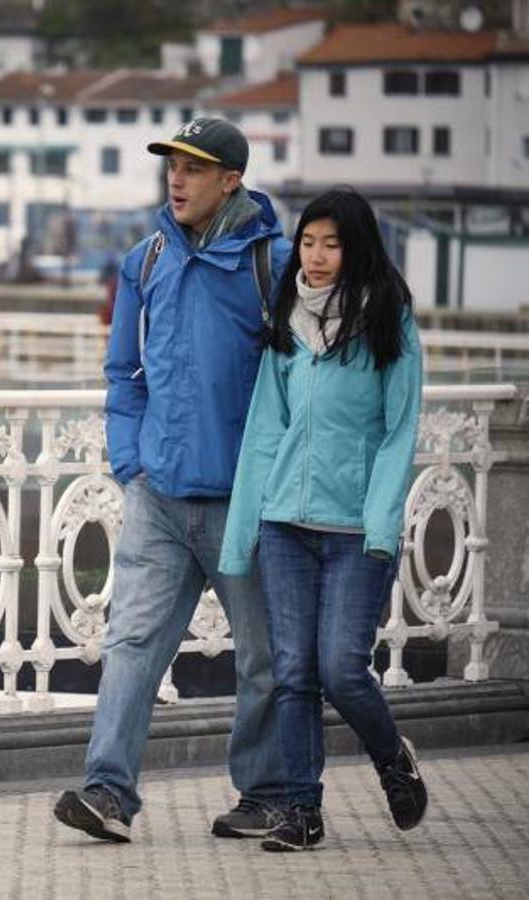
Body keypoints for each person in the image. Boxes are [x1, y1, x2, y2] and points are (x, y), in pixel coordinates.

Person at [53, 117, 292, 842]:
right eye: (171, 166)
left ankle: (267, 794)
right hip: (157, 494)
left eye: (193, 168)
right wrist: (131, 460)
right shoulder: (147, 257)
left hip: (242, 500)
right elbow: (122, 370)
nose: (176, 179)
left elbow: (304, 372)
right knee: (129, 645)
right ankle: (106, 792)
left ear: (230, 180)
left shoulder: (274, 263)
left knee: (262, 657)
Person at [219, 188, 427, 852]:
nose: (314, 256)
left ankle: (392, 756)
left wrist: (379, 523)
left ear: (356, 246)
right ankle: (300, 812)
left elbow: (398, 433)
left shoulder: (388, 322)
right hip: (284, 524)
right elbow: (263, 430)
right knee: (292, 672)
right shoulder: (288, 322)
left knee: (340, 670)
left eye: (330, 244)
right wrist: (243, 531)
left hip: (352, 530)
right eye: (307, 242)